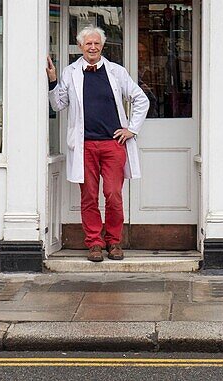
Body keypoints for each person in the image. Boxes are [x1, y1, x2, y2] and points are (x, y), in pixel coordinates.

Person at [47, 25, 149, 262]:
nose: (92, 47)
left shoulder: (116, 72)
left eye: (96, 43)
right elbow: (58, 104)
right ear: (80, 46)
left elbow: (140, 99)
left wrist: (132, 129)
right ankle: (94, 243)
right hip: (84, 146)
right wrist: (52, 82)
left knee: (113, 194)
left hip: (113, 144)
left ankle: (114, 242)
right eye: (88, 43)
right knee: (89, 196)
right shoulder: (70, 72)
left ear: (102, 46)